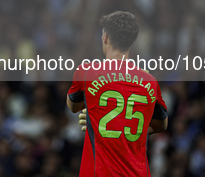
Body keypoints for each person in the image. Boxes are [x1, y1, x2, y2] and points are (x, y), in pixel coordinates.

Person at [67, 11, 168, 176]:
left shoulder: (86, 72)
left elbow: (73, 106)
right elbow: (161, 125)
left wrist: (98, 120)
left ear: (105, 37)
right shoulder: (150, 81)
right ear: (131, 41)